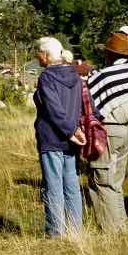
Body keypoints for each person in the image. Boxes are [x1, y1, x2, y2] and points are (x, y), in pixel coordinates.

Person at [84, 32, 128, 233]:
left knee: (103, 180)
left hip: (109, 130)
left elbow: (90, 96)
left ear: (111, 54)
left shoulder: (107, 75)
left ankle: (111, 229)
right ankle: (121, 223)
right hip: (126, 131)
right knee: (115, 181)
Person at [33, 37, 85, 238]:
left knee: (53, 186)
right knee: (71, 185)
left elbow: (53, 109)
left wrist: (70, 131)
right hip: (71, 138)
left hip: (53, 137)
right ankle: (75, 231)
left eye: (38, 53)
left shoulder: (46, 77)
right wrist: (74, 131)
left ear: (46, 55)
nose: (37, 57)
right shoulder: (75, 74)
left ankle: (56, 232)